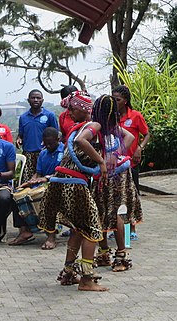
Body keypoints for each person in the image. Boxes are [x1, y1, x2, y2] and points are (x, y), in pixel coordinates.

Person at [38, 94, 112, 292]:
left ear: (86, 109)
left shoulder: (78, 127)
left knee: (79, 229)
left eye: (72, 109)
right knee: (92, 229)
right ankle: (87, 280)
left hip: (60, 182)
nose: (68, 113)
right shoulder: (91, 126)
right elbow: (81, 141)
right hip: (73, 184)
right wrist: (102, 162)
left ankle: (69, 273)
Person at [86, 94, 140, 272]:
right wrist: (116, 154)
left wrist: (106, 159)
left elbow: (81, 141)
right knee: (109, 212)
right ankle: (109, 253)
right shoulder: (114, 126)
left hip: (111, 176)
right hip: (117, 174)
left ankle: (116, 254)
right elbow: (130, 138)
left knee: (107, 212)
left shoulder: (98, 127)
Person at [113, 85, 150, 245]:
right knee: (115, 197)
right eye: (113, 99)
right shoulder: (111, 117)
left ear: (125, 101)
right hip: (114, 163)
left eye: (118, 99)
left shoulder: (135, 116)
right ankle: (117, 227)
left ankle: (131, 228)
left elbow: (147, 133)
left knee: (131, 195)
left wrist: (139, 148)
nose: (115, 102)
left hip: (131, 162)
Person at [16, 127, 64, 250]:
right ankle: (25, 231)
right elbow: (38, 173)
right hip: (43, 184)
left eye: (51, 143)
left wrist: (47, 178)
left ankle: (51, 236)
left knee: (47, 198)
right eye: (45, 143)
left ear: (58, 140)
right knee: (17, 195)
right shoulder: (43, 153)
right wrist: (30, 182)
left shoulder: (65, 151)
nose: (47, 146)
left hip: (60, 184)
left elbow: (64, 173)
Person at [16, 89, 58, 183]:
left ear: (42, 100)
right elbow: (21, 135)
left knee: (44, 181)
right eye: (33, 98)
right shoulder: (23, 117)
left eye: (38, 98)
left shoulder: (50, 115)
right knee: (28, 182)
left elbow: (55, 133)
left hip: (45, 153)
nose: (35, 100)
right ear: (28, 100)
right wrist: (19, 139)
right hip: (28, 154)